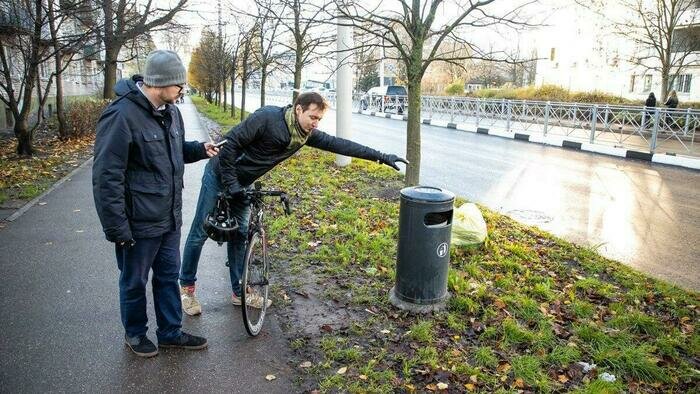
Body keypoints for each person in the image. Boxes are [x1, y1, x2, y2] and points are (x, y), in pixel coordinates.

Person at [179, 92, 408, 316]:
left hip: (244, 182)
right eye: (313, 117)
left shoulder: (304, 134)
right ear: (299, 109)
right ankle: (187, 289)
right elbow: (228, 146)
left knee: (239, 234)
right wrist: (232, 185)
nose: (315, 124)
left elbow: (340, 144)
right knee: (201, 231)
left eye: (319, 119)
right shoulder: (267, 118)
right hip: (220, 174)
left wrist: (381, 156)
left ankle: (240, 292)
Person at [92, 50, 220, 357]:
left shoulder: (171, 111)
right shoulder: (121, 115)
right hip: (137, 223)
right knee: (134, 281)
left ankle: (170, 332)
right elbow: (106, 177)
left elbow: (174, 152)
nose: (182, 90)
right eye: (178, 85)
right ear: (160, 83)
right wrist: (117, 228)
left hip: (168, 218)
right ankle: (135, 334)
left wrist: (200, 149)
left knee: (167, 277)